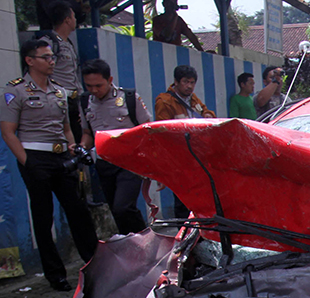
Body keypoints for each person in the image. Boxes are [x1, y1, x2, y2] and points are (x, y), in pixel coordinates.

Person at [0, 39, 97, 291]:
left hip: (62, 158)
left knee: (78, 211)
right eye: (45, 57)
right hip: (35, 158)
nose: (52, 61)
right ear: (30, 61)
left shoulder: (59, 92)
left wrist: (73, 149)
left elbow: (66, 128)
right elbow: (8, 132)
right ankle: (56, 275)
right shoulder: (15, 91)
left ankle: (95, 265)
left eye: (52, 57)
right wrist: (27, 162)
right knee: (43, 218)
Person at [80, 58, 151, 234]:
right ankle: (131, 243)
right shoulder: (85, 101)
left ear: (110, 80)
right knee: (116, 211)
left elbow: (147, 129)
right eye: (89, 86)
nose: (94, 90)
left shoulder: (129, 98)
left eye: (98, 85)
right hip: (104, 163)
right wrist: (81, 146)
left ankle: (146, 241)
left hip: (129, 163)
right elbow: (87, 133)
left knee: (123, 207)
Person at [154, 65, 213, 218]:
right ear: (176, 82)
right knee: (183, 199)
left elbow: (204, 111)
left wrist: (207, 115)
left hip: (196, 154)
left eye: (192, 82)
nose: (189, 86)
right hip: (178, 156)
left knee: (200, 197)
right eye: (186, 82)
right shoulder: (164, 101)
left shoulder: (192, 98)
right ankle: (184, 229)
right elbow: (162, 133)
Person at [37, 0, 83, 142]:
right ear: (67, 20)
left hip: (74, 102)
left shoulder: (68, 43)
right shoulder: (49, 43)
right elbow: (42, 73)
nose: (75, 20)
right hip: (59, 100)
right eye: (73, 16)